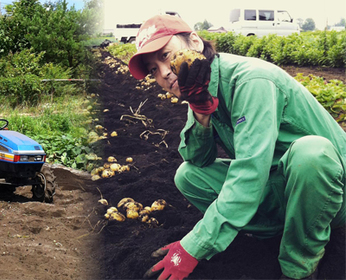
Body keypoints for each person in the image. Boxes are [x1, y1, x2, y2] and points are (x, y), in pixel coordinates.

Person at [128, 14, 346, 280]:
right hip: (284, 186)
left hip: (330, 195)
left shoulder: (250, 80)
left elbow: (250, 171)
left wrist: (194, 246)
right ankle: (282, 231)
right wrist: (201, 111)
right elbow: (197, 158)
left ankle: (298, 267)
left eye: (165, 56)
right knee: (188, 176)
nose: (162, 73)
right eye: (153, 70)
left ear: (194, 41)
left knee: (311, 155)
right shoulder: (199, 88)